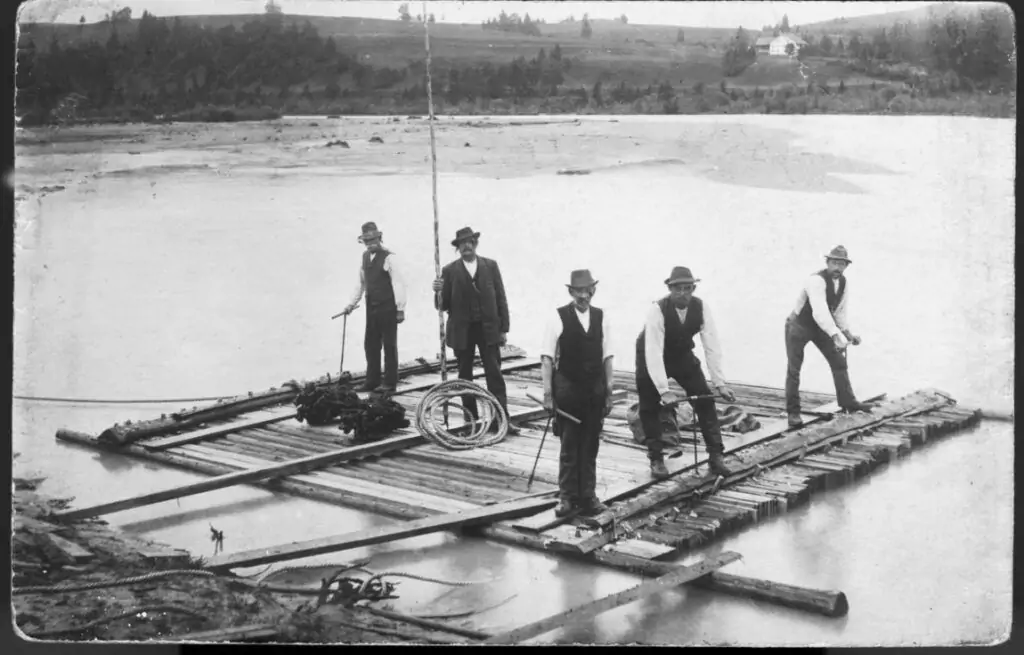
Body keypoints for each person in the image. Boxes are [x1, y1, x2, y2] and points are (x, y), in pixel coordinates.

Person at [635, 266, 737, 480]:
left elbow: (711, 345)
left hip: (681, 355)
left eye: (687, 288)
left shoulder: (701, 307)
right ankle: (656, 458)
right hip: (651, 354)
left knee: (705, 399)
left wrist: (720, 383)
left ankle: (716, 456)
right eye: (678, 289)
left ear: (693, 289)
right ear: (670, 289)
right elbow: (653, 351)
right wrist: (663, 390)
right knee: (649, 405)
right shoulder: (657, 310)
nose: (683, 293)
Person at [541, 270, 615, 517]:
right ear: (571, 292)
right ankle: (566, 497)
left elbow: (607, 356)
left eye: (587, 290)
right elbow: (547, 358)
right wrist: (548, 394)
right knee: (569, 444)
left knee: (590, 444)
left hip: (594, 391)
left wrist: (609, 392)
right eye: (578, 291)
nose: (583, 296)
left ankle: (588, 496)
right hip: (568, 390)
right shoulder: (558, 316)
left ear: (593, 290)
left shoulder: (602, 317)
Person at [432, 227, 518, 434]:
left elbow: (501, 298)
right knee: (464, 377)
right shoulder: (449, 271)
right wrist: (437, 291)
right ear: (458, 248)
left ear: (475, 244)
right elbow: (442, 306)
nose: (466, 246)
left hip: (488, 329)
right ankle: (470, 421)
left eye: (469, 242)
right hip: (462, 331)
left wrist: (504, 329)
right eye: (462, 244)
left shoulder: (490, 266)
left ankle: (501, 420)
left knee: (495, 374)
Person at [785, 245, 874, 427]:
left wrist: (848, 334)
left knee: (839, 362)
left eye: (842, 264)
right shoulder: (816, 280)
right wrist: (835, 336)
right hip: (799, 326)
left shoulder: (843, 283)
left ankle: (848, 402)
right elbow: (820, 312)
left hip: (821, 328)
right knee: (794, 369)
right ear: (827, 263)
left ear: (846, 266)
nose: (837, 268)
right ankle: (793, 413)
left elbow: (838, 312)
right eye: (834, 263)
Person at [340, 222, 406, 394]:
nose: (369, 244)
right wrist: (351, 304)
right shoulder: (364, 258)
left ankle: (390, 383)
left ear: (379, 238)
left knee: (389, 345)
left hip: (388, 308)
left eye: (372, 240)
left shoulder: (389, 257)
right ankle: (372, 381)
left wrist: (400, 309)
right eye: (366, 241)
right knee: (371, 345)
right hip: (371, 308)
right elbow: (361, 284)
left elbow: (398, 283)